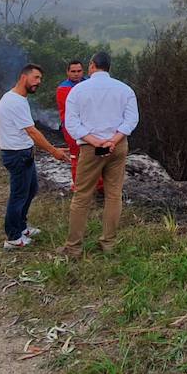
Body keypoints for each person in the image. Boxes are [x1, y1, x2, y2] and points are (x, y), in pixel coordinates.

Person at [60, 50, 138, 258]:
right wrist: (113, 140)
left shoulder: (78, 91)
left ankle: (74, 247)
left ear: (92, 65)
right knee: (113, 195)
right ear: (109, 67)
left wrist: (96, 141)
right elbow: (131, 120)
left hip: (90, 147)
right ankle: (109, 243)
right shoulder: (125, 89)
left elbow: (72, 123)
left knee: (82, 195)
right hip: (118, 146)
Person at [0, 63, 69, 250]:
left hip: (24, 154)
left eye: (40, 79)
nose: (38, 82)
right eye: (36, 78)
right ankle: (13, 237)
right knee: (18, 195)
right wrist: (54, 151)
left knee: (31, 190)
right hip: (17, 155)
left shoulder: (18, 99)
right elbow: (32, 132)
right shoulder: (14, 101)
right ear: (24, 77)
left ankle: (22, 227)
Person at [55, 59, 86, 179]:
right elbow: (70, 112)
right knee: (76, 155)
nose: (76, 74)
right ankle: (77, 185)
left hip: (89, 125)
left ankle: (98, 186)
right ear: (67, 72)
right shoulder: (63, 89)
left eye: (79, 71)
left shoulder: (88, 83)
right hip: (71, 127)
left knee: (93, 157)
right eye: (73, 71)